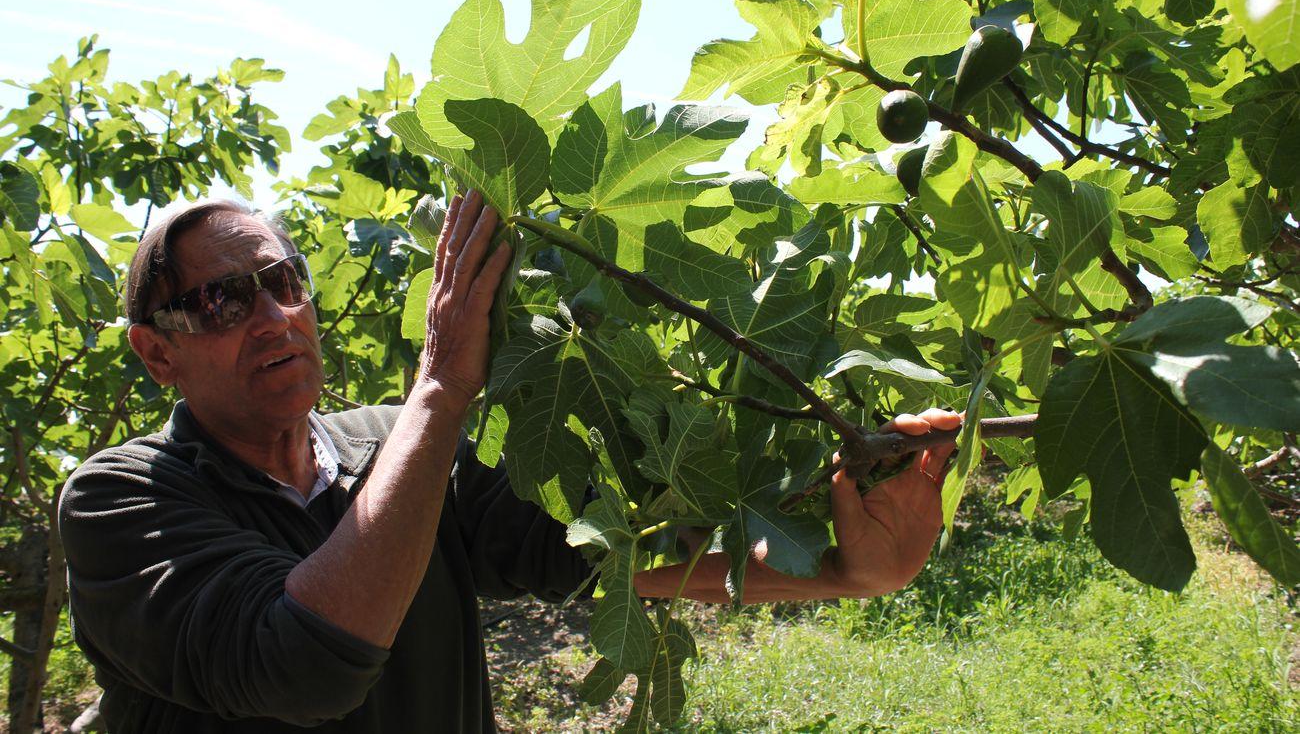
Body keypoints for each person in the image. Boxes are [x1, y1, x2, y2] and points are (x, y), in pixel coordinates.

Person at [58, 192, 960, 732]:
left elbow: (615, 552)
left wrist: (848, 569)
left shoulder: (393, 446)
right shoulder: (119, 500)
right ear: (156, 352)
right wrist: (444, 386)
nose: (273, 318)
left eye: (284, 282)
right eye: (223, 301)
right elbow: (307, 661)